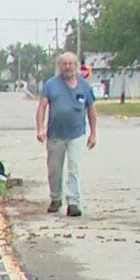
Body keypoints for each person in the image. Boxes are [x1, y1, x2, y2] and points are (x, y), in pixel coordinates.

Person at [36, 52, 98, 217]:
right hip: (55, 134)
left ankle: (73, 202)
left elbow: (91, 109)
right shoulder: (51, 85)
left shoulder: (84, 86)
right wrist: (40, 128)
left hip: (76, 134)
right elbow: (42, 106)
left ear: (76, 66)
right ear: (60, 66)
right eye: (65, 64)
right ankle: (55, 198)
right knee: (54, 169)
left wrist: (93, 133)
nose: (68, 67)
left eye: (71, 64)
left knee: (74, 168)